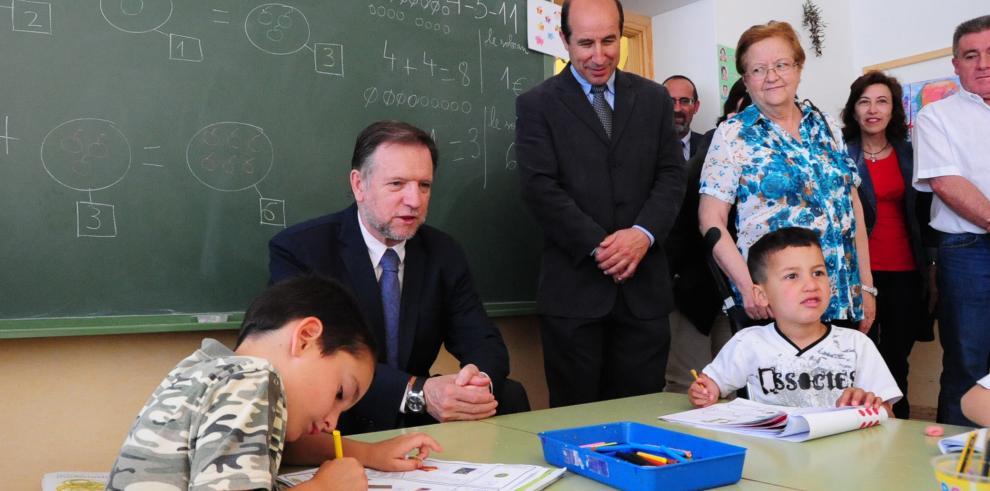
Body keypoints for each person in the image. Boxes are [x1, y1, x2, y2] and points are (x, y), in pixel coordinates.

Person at [269, 121, 528, 436]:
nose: (414, 201)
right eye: (397, 184)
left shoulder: (443, 251)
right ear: (359, 185)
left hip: (419, 419)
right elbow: (318, 360)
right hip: (340, 418)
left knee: (509, 393)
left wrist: (475, 381)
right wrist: (416, 392)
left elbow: (482, 338)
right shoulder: (301, 250)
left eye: (424, 185)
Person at [106, 276, 442, 490]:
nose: (332, 421)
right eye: (340, 393)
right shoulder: (254, 379)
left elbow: (278, 445)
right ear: (307, 337)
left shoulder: (206, 369)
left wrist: (371, 453)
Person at [515, 0, 685, 407]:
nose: (599, 55)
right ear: (564, 40)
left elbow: (672, 175)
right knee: (576, 422)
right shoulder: (537, 104)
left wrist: (641, 236)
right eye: (586, 43)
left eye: (609, 41)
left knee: (644, 417)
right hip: (574, 295)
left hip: (643, 294)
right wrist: (602, 245)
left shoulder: (654, 99)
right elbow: (540, 187)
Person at [699, 20, 876, 334]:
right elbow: (710, 220)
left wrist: (866, 286)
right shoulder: (732, 135)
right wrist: (746, 287)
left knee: (849, 384)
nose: (771, 77)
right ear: (745, 78)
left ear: (798, 68)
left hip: (842, 296)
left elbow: (853, 209)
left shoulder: (827, 127)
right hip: (778, 304)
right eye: (758, 69)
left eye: (781, 64)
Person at [689, 227, 901, 414]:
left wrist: (873, 406)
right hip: (772, 452)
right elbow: (712, 386)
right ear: (761, 295)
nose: (810, 284)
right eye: (792, 276)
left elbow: (888, 414)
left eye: (818, 273)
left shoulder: (856, 344)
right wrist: (704, 391)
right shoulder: (748, 343)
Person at [840, 71, 938, 419]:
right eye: (864, 101)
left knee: (896, 358)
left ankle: (898, 427)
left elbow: (926, 216)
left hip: (905, 270)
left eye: (882, 101)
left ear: (893, 109)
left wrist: (931, 267)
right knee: (852, 359)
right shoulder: (841, 155)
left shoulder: (910, 154)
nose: (872, 109)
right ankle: (852, 423)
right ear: (853, 110)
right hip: (856, 273)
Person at [913, 15, 990, 426]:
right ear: (956, 64)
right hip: (969, 252)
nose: (983, 64)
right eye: (971, 55)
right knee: (968, 362)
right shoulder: (935, 117)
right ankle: (953, 470)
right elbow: (945, 182)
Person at [664, 79, 750, 394]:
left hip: (744, 290)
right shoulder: (716, 147)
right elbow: (684, 221)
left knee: (734, 384)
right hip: (696, 284)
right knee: (690, 384)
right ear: (733, 114)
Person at [662, 75, 704, 160]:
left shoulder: (709, 146)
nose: (677, 109)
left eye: (685, 101)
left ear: (696, 107)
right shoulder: (647, 148)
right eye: (670, 101)